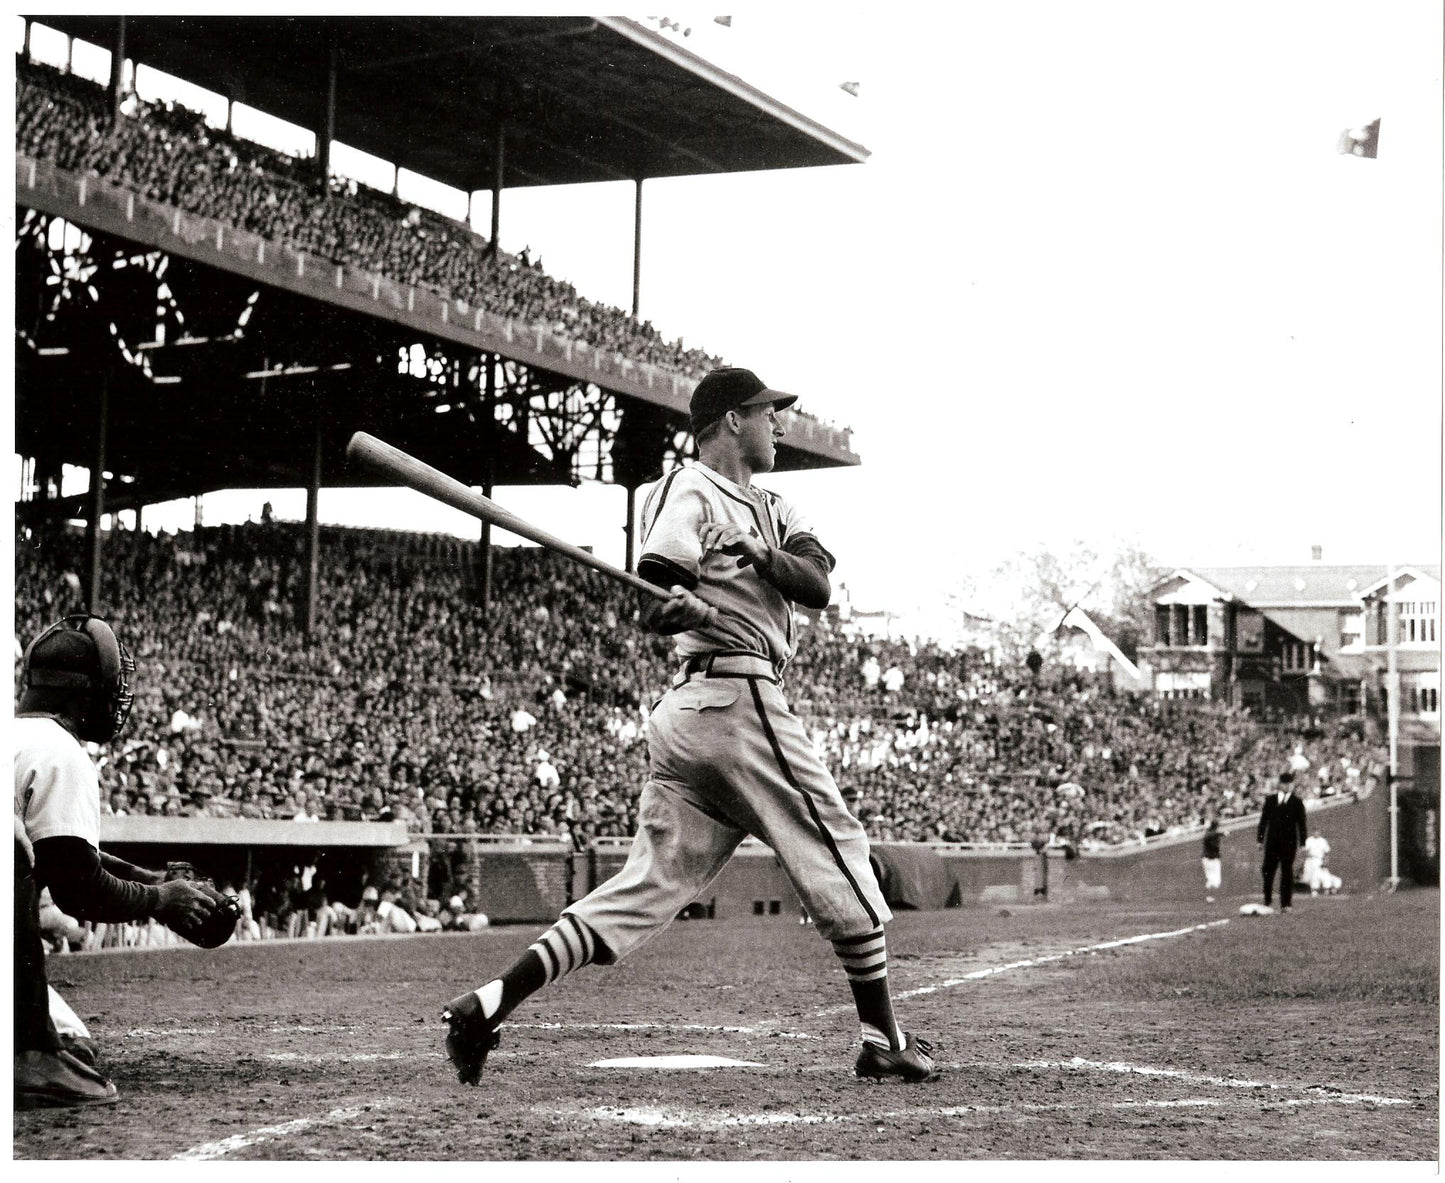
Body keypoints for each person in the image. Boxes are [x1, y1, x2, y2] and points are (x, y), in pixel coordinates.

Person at [442, 367, 938, 1085]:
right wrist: (671, 607)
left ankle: (487, 1002)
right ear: (732, 420)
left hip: (694, 719)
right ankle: (883, 1038)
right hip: (733, 698)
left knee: (643, 886)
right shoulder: (687, 486)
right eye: (768, 414)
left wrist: (760, 556)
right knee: (838, 848)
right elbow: (656, 585)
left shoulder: (774, 505)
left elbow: (817, 582)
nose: (778, 425)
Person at [15, 614, 219, 1108]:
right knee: (51, 1047)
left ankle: (31, 1044)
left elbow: (61, 852)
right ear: (83, 692)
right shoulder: (62, 751)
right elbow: (76, 885)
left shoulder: (19, 737)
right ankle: (27, 1055)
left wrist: (147, 880)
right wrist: (159, 900)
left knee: (75, 1041)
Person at [1256, 770, 1307, 912]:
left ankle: (1286, 903)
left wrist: (1302, 843)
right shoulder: (1270, 800)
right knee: (1267, 870)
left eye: (1289, 784)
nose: (1287, 786)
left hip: (1289, 843)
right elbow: (1263, 821)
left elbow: (1301, 823)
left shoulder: (1297, 802)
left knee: (1287, 872)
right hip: (1272, 842)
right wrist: (1260, 840)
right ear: (1280, 785)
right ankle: (1267, 899)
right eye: (1285, 784)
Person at [1201, 819, 1222, 903]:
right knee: (1215, 879)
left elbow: (1215, 834)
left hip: (1206, 858)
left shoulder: (1208, 833)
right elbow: (1214, 838)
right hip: (1212, 859)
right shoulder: (1211, 835)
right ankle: (1210, 896)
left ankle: (1209, 896)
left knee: (1211, 878)